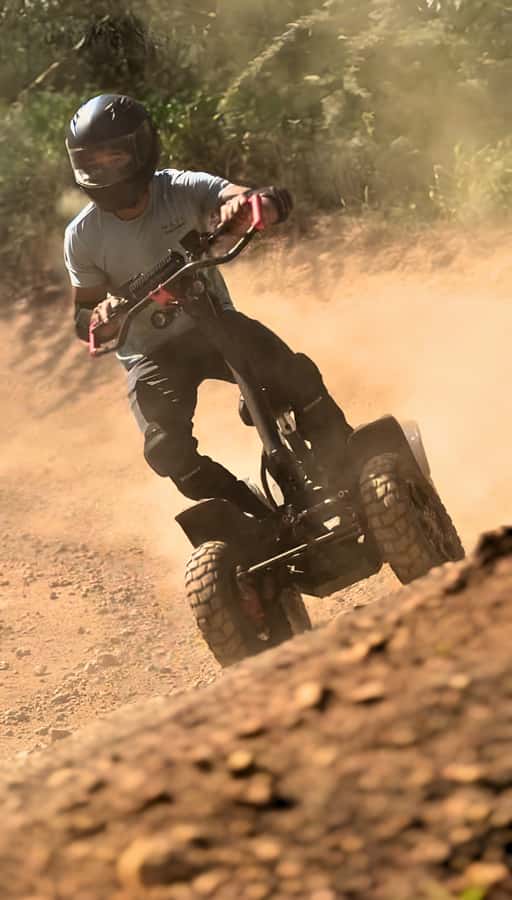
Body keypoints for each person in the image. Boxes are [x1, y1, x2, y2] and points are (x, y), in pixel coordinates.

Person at [64, 93, 352, 517]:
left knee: (296, 377)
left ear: (141, 150)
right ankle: (249, 511)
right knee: (165, 451)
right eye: (92, 162)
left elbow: (246, 199)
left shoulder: (180, 189)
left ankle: (350, 466)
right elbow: (82, 318)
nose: (103, 170)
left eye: (115, 156)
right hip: (150, 354)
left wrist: (252, 205)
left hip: (214, 323)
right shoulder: (82, 236)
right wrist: (101, 316)